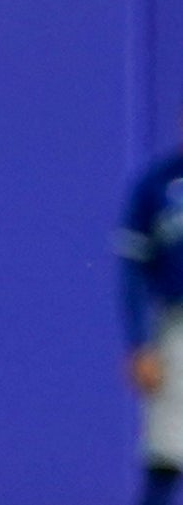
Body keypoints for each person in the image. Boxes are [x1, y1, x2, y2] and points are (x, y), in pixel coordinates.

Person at [119, 135, 183, 505]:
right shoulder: (157, 183)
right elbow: (131, 268)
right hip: (177, 329)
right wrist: (138, 343)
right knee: (167, 456)